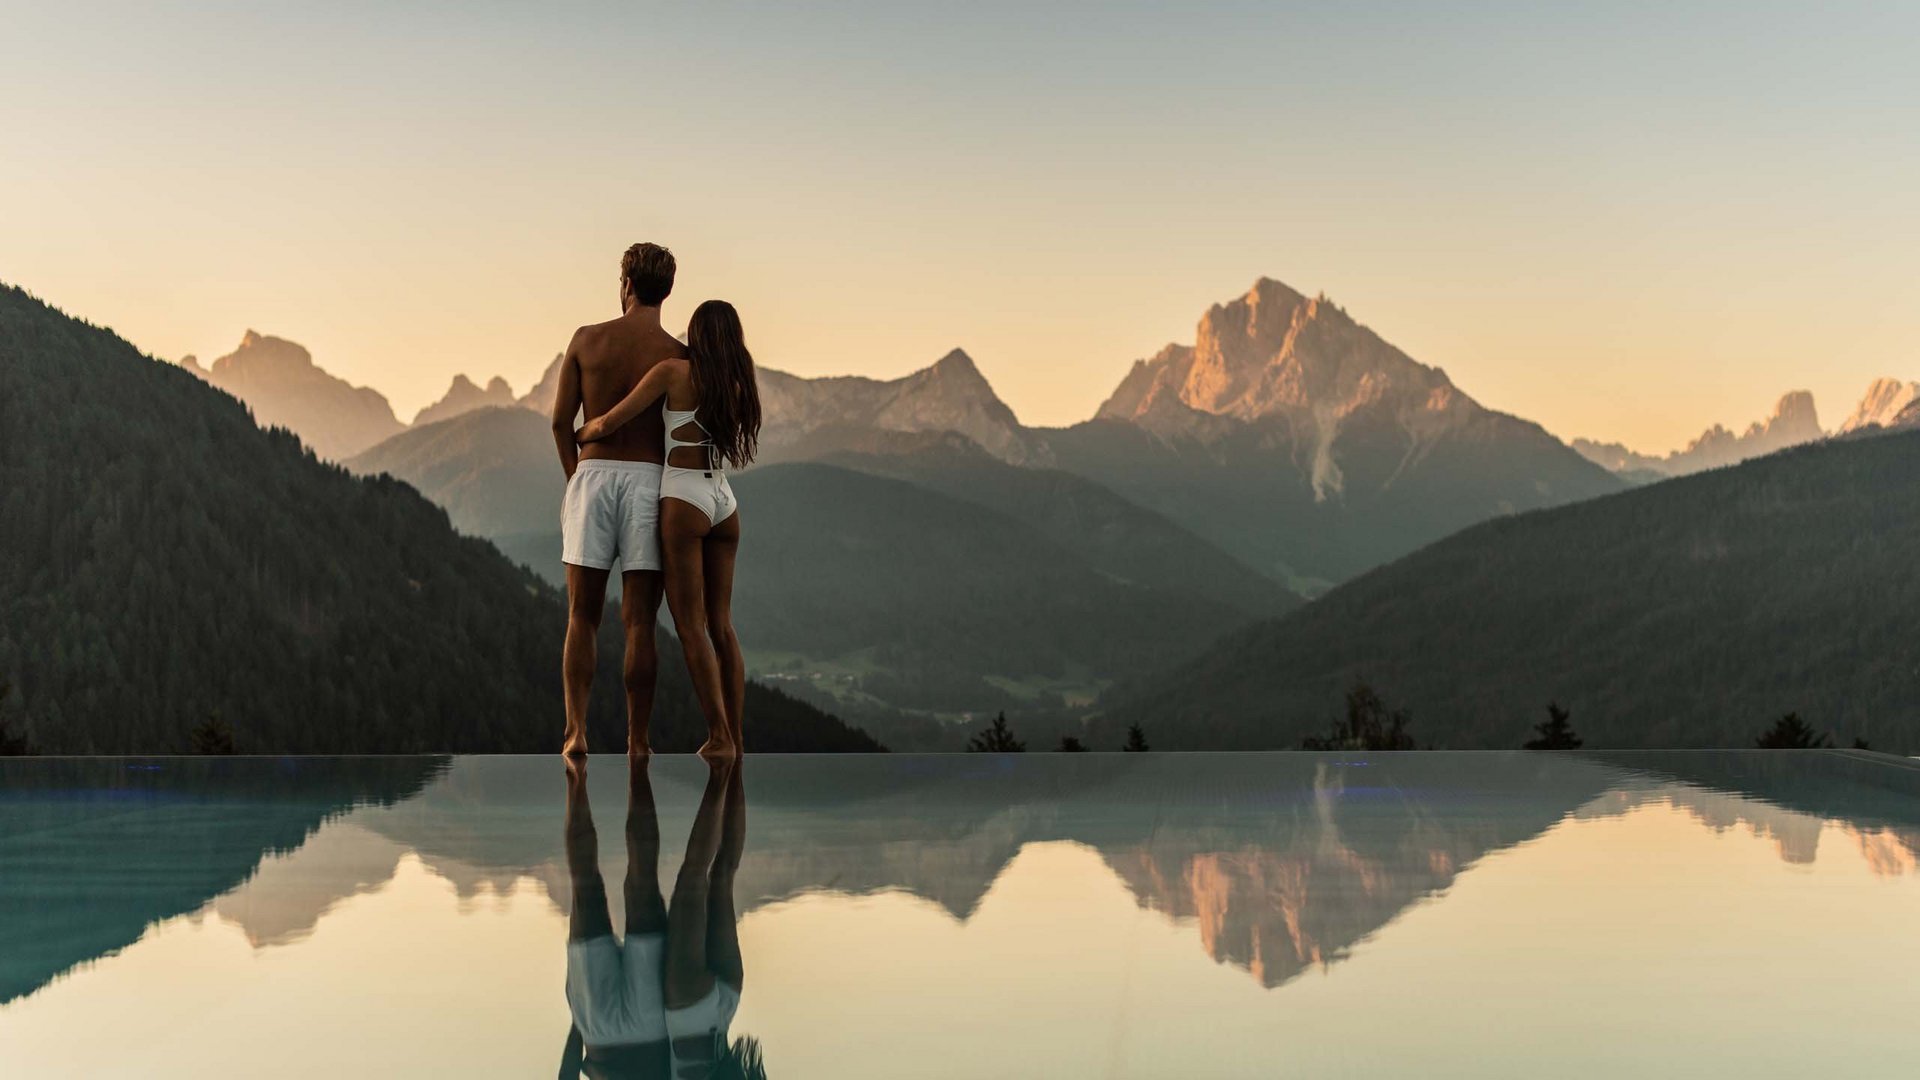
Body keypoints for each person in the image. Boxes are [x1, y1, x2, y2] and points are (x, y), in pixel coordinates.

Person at [576, 300, 761, 758]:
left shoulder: (673, 373)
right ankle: (735, 738)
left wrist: (581, 434)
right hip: (724, 502)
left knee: (689, 625)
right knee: (723, 626)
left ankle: (719, 737)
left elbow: (612, 418)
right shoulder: (738, 384)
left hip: (684, 501)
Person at [553, 243, 684, 758]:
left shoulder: (587, 340)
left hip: (593, 475)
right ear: (667, 290)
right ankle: (638, 741)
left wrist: (575, 479)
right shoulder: (679, 355)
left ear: (625, 283)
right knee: (640, 621)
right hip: (651, 481)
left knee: (582, 616)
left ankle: (576, 733)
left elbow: (561, 422)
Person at [559, 757, 671, 1079]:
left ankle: (638, 757)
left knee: (643, 880)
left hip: (652, 1029)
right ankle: (576, 774)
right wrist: (580, 1021)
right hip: (598, 1032)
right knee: (584, 882)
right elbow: (566, 1076)